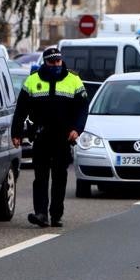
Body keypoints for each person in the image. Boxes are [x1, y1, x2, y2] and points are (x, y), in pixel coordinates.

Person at [12, 46, 88, 228]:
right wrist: (16, 133)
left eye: (58, 61)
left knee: (59, 177)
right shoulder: (32, 81)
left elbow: (83, 108)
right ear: (44, 63)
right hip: (41, 136)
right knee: (40, 177)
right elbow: (20, 110)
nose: (55, 65)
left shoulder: (73, 80)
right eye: (51, 62)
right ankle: (41, 214)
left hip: (64, 137)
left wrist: (77, 129)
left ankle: (56, 215)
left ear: (61, 61)